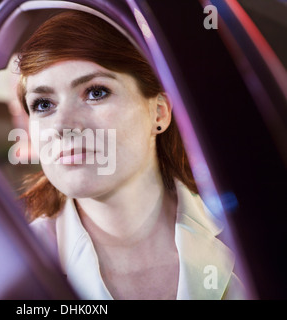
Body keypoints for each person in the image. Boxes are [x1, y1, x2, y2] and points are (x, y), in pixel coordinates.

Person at [16, 10, 246, 300]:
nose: (63, 126)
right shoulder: (13, 261)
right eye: (43, 104)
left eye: (96, 92)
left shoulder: (252, 235)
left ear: (159, 112)